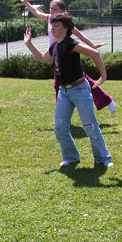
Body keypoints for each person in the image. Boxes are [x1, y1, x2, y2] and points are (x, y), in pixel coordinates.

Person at [24, 13, 113, 168]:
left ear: (65, 28)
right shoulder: (54, 47)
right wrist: (29, 44)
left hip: (79, 89)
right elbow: (43, 59)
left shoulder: (71, 43)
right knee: (59, 127)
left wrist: (103, 75)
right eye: (52, 25)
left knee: (89, 126)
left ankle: (103, 158)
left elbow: (94, 53)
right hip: (63, 92)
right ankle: (71, 157)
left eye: (56, 25)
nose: (52, 28)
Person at [19, 0, 116, 113]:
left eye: (55, 9)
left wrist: (92, 46)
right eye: (51, 8)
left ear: (63, 11)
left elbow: (80, 35)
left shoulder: (66, 26)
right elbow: (36, 12)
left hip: (66, 54)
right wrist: (26, 2)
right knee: (62, 84)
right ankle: (63, 114)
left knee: (76, 82)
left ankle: (105, 101)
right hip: (55, 55)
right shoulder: (49, 19)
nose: (52, 11)